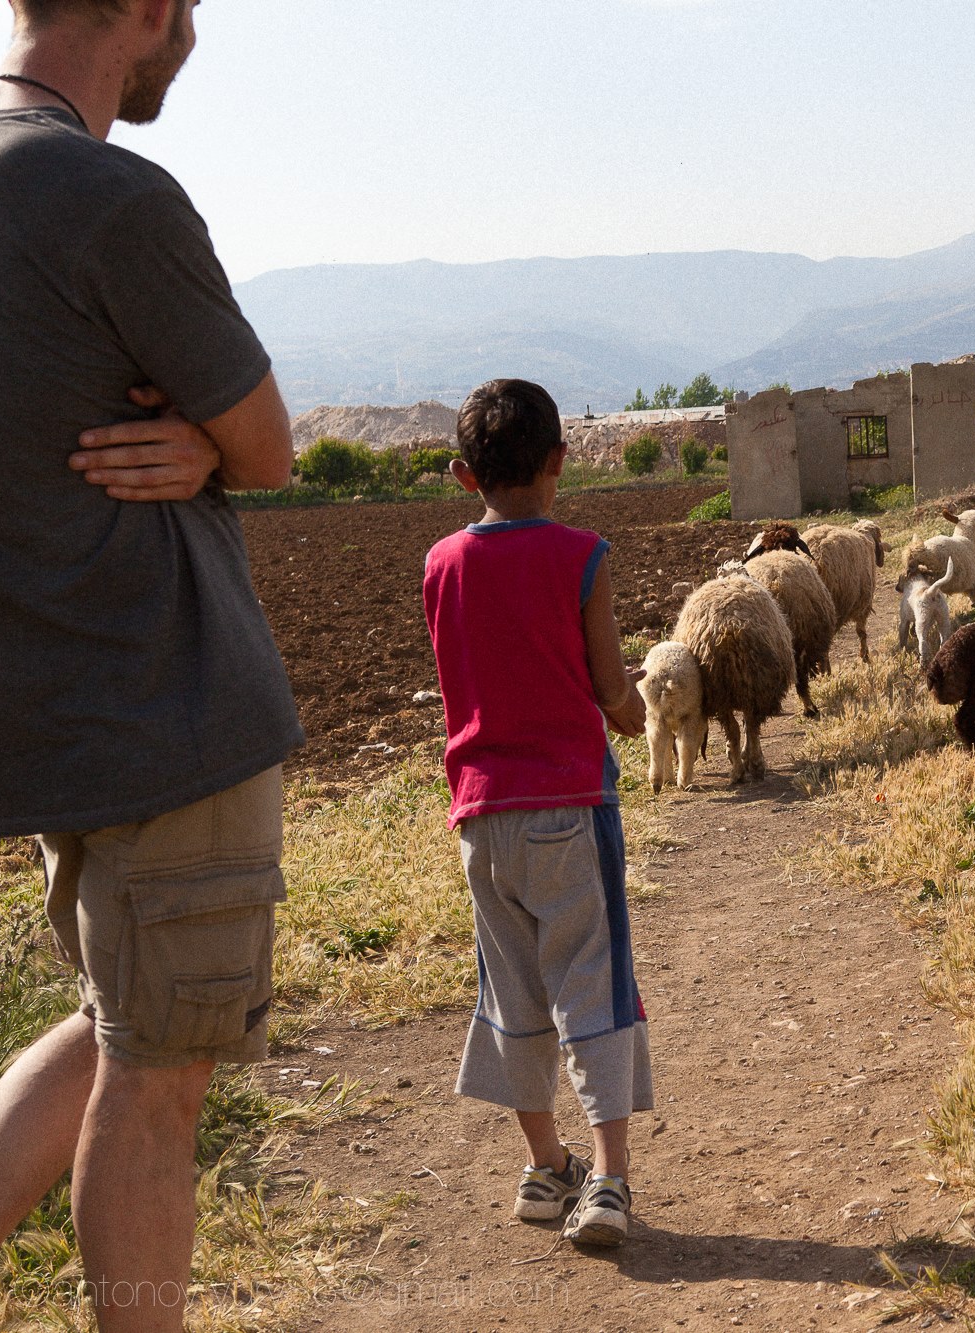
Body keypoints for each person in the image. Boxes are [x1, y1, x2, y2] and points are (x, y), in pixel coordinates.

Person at [0, 1, 302, 1328]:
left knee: (122, 1026)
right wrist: (218, 448)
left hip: (48, 716)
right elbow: (274, 443)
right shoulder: (106, 196)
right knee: (159, 1082)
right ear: (150, 10)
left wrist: (196, 445)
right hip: (165, 713)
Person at [422, 379, 654, 1247]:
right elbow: (609, 691)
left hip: (480, 819)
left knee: (510, 985)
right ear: (561, 461)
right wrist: (630, 710)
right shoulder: (583, 554)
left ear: (460, 474)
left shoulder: (440, 565)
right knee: (593, 982)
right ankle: (609, 1179)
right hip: (569, 807)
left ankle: (544, 1166)